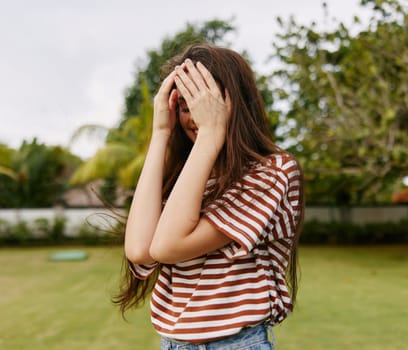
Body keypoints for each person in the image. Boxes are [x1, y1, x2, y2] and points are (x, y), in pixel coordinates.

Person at [114, 44, 304, 350]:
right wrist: (161, 132)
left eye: (205, 104)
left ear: (236, 102)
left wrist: (211, 132)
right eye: (185, 107)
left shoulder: (273, 172)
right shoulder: (187, 177)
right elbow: (139, 250)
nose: (195, 119)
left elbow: (167, 246)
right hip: (174, 344)